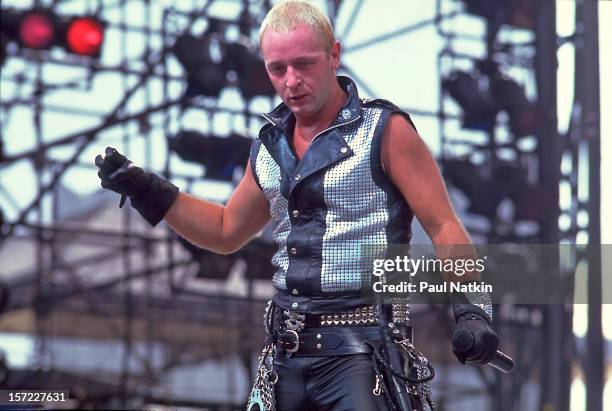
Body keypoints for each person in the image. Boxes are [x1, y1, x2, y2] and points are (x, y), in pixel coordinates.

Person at [95, 1, 499, 410]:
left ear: (333, 55)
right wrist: (151, 191)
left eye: (303, 64)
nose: (291, 81)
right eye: (277, 69)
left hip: (363, 354)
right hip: (285, 355)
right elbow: (223, 231)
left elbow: (445, 227)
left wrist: (473, 310)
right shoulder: (270, 147)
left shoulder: (385, 132)